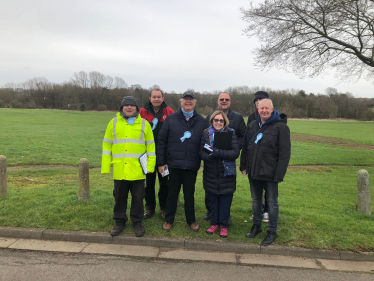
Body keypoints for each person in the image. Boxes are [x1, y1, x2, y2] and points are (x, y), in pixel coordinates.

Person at [101, 96, 156, 237]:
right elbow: (107, 145)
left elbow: (151, 147)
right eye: (126, 105)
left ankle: (137, 222)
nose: (129, 107)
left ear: (137, 108)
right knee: (120, 197)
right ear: (122, 108)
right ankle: (119, 221)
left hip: (137, 169)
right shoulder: (113, 123)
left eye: (132, 105)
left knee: (138, 198)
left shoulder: (144, 124)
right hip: (120, 169)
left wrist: (150, 166)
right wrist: (106, 166)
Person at [240, 99, 291, 245]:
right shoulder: (252, 125)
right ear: (258, 109)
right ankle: (256, 226)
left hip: (271, 172)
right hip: (254, 170)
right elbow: (245, 147)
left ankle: (271, 231)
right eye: (261, 108)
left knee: (272, 203)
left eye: (267, 108)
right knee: (256, 201)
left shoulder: (281, 127)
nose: (264, 111)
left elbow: (285, 154)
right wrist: (244, 166)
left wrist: (279, 174)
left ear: (272, 109)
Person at [157, 90, 209, 232]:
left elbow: (206, 143)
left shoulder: (201, 121)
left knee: (189, 194)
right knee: (172, 193)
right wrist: (161, 163)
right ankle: (169, 220)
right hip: (173, 164)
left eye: (191, 99)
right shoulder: (171, 119)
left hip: (191, 165)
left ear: (195, 102)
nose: (188, 101)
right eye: (185, 99)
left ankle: (191, 220)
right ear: (181, 101)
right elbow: (161, 141)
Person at [203, 92, 246, 220]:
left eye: (226, 99)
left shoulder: (237, 118)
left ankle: (224, 214)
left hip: (227, 160)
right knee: (210, 186)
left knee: (226, 188)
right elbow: (204, 135)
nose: (224, 101)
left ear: (230, 101)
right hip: (211, 160)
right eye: (221, 99)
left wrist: (234, 146)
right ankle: (210, 212)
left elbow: (244, 136)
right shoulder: (210, 116)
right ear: (218, 101)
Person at [200, 111, 240, 238]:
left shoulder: (231, 133)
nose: (218, 122)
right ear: (212, 121)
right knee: (213, 199)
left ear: (225, 122)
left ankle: (223, 225)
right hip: (210, 172)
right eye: (216, 120)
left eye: (221, 120)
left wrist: (219, 153)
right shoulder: (206, 133)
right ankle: (214, 223)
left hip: (226, 172)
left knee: (225, 200)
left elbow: (235, 153)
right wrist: (209, 156)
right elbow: (201, 152)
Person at [140, 88, 174, 220]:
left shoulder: (169, 112)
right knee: (149, 183)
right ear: (150, 98)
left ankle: (164, 208)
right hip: (147, 156)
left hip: (164, 156)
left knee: (164, 183)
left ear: (163, 98)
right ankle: (150, 208)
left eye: (159, 97)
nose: (156, 99)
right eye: (154, 97)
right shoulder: (142, 112)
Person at [248, 91, 270, 223]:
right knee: (257, 188)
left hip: (268, 159)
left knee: (268, 187)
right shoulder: (252, 117)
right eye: (256, 100)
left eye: (261, 99)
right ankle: (258, 211)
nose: (258, 101)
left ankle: (267, 211)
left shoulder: (274, 116)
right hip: (254, 157)